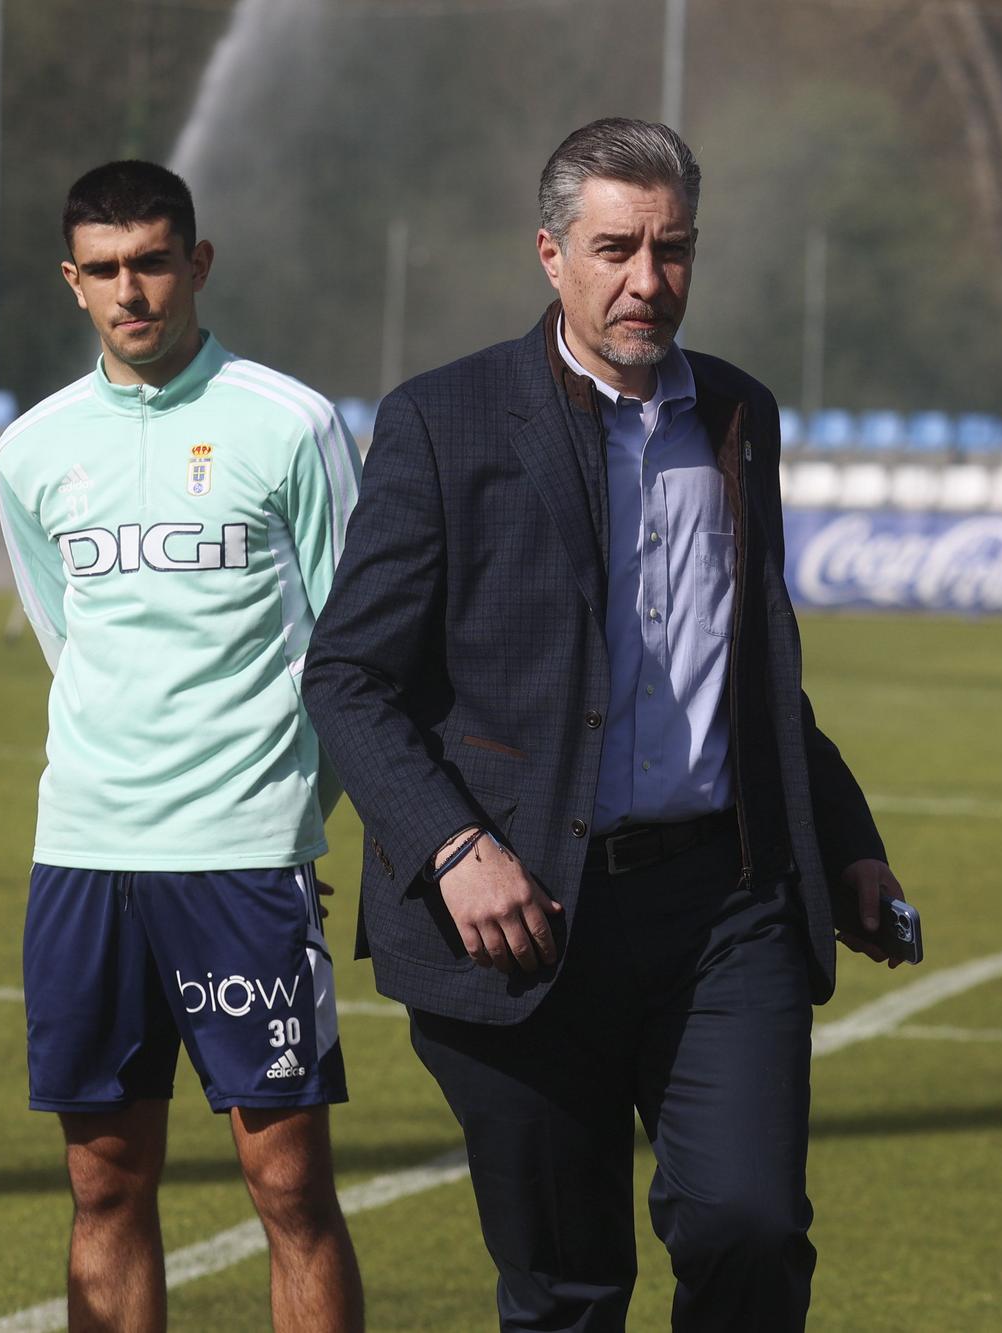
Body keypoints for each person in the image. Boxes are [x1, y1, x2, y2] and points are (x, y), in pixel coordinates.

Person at [303, 117, 911, 1331]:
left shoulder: (739, 414)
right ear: (550, 254)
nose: (647, 282)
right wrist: (451, 848)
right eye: (615, 249)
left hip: (721, 908)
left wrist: (845, 839)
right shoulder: (443, 421)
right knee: (565, 1291)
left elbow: (759, 675)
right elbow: (349, 676)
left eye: (672, 250)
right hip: (521, 922)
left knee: (748, 1229)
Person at [0, 160, 365, 1331]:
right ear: (72, 282)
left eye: (152, 261)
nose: (130, 291)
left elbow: (357, 647)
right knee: (103, 1181)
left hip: (244, 862)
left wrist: (293, 807)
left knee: (289, 1183)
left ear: (196, 264)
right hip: (86, 858)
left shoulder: (291, 423)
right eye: (103, 270)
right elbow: (66, 635)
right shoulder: (29, 450)